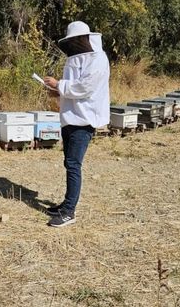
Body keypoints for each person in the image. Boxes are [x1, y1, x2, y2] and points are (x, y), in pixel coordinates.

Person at [43, 21, 110, 228]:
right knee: (69, 162)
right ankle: (66, 204)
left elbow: (85, 87)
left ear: (86, 38)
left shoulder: (98, 58)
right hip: (71, 118)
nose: (74, 45)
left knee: (73, 165)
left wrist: (58, 85)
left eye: (76, 40)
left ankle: (69, 212)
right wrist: (57, 91)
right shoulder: (77, 58)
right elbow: (74, 88)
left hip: (84, 120)